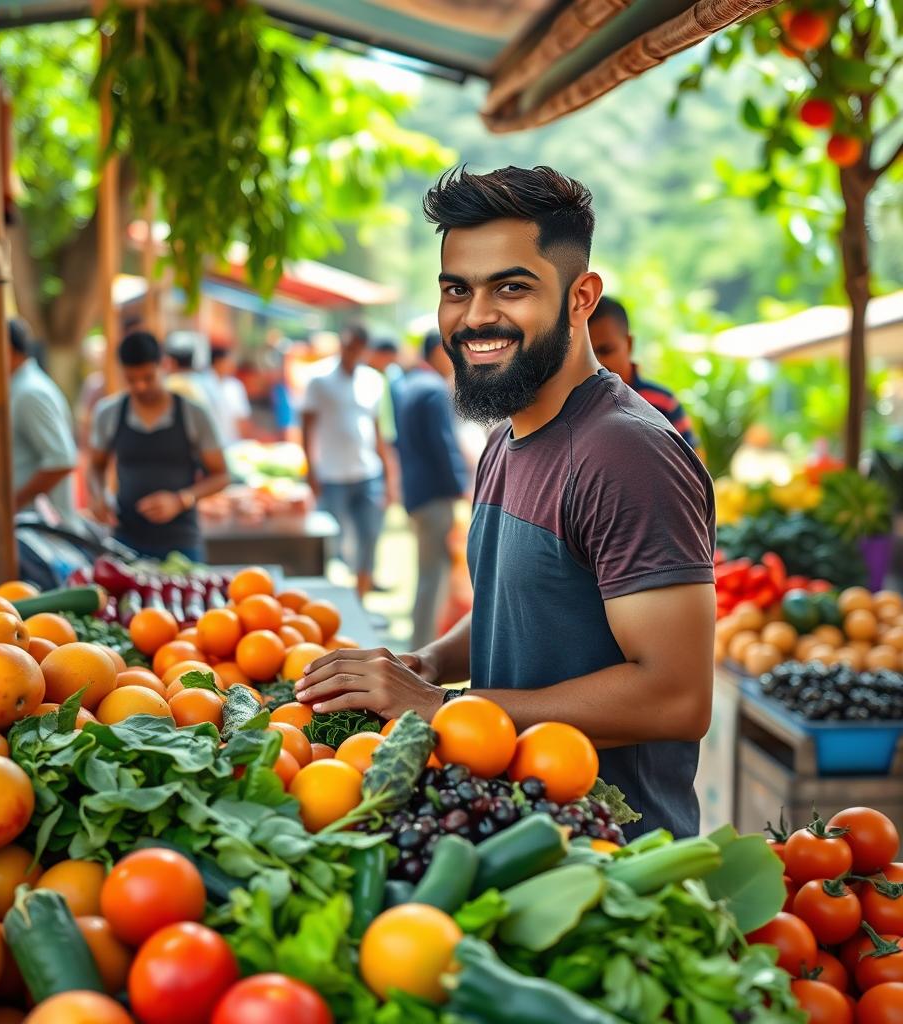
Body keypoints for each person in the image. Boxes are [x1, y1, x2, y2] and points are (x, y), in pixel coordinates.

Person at [296, 166, 716, 839]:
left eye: (511, 288)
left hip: (611, 863)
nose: (476, 317)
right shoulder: (508, 436)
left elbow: (676, 697)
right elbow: (516, 607)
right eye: (456, 290)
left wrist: (440, 706)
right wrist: (432, 663)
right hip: (515, 836)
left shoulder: (626, 453)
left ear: (582, 297)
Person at [87, 330, 229, 560]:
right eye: (132, 380)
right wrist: (98, 496)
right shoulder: (108, 413)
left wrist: (180, 500)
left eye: (148, 378)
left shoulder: (194, 413)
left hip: (182, 544)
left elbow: (221, 475)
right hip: (125, 541)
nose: (141, 387)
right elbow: (96, 466)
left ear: (164, 365)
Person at [301, 325, 393, 598]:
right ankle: (329, 600)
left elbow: (377, 430)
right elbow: (306, 428)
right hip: (331, 475)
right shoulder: (319, 379)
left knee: (369, 537)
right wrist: (311, 470)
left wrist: (389, 474)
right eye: (348, 346)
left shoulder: (372, 380)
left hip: (366, 473)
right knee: (332, 545)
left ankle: (361, 598)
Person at [393, 329, 469, 650]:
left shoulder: (410, 386)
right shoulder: (434, 389)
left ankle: (421, 644)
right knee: (432, 577)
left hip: (416, 494)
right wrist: (462, 487)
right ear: (439, 350)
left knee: (427, 574)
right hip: (435, 496)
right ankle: (423, 649)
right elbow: (444, 445)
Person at [588, 296, 699, 448]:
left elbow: (692, 459)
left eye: (606, 351)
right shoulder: (581, 407)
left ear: (629, 344)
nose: (598, 363)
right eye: (588, 355)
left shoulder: (663, 402)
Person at [5, 317, 77, 519]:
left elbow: (61, 460)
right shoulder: (20, 389)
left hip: (36, 531)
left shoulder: (30, 393)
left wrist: (10, 505)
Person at [201, 343, 253, 448]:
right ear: (217, 362)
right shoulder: (203, 384)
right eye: (228, 361)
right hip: (210, 446)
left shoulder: (234, 386)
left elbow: (241, 419)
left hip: (233, 445)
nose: (232, 365)